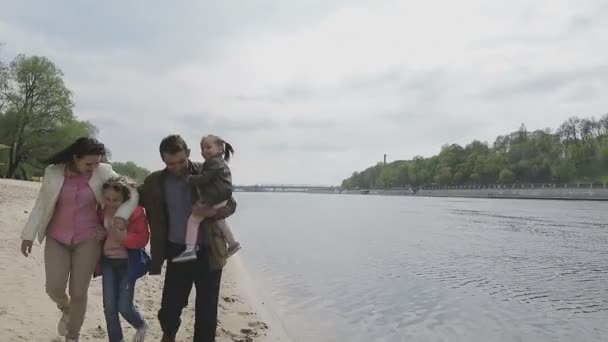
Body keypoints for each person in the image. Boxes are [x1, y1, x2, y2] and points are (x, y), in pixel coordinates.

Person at [19, 137, 139, 342]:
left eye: (97, 162)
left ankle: (72, 336)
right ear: (75, 157)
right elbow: (42, 204)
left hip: (89, 239)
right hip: (57, 236)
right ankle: (65, 308)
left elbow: (133, 192)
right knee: (54, 287)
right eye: (89, 163)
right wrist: (28, 235)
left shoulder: (102, 171)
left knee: (79, 291)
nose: (93, 167)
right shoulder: (54, 172)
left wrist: (120, 217)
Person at [137, 134, 237, 342]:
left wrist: (210, 213)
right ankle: (169, 335)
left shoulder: (207, 170)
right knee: (170, 306)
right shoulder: (155, 182)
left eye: (181, 161)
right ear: (163, 160)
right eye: (171, 163)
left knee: (207, 309)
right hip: (177, 251)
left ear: (189, 154)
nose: (177, 167)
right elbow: (130, 196)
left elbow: (231, 204)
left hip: (210, 251)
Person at [96, 176, 150, 342]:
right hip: (108, 262)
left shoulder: (136, 212)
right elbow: (103, 228)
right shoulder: (102, 209)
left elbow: (143, 239)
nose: (111, 203)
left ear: (125, 198)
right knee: (109, 307)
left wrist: (124, 237)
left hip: (128, 263)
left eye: (116, 200)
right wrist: (101, 233)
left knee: (124, 306)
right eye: (108, 199)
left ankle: (141, 324)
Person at [172, 134, 240, 263]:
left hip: (212, 251)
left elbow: (231, 204)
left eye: (208, 147)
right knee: (220, 221)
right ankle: (232, 243)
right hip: (218, 197)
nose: (204, 151)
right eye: (202, 149)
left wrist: (212, 211)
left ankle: (189, 249)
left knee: (193, 219)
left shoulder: (207, 166)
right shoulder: (218, 164)